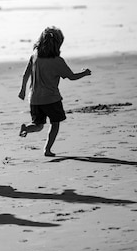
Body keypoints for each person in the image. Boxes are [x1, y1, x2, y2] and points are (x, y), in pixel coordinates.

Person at [18, 26, 91, 157]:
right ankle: (47, 149)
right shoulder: (57, 61)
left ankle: (26, 129)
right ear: (58, 44)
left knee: (38, 125)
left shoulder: (34, 56)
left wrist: (22, 90)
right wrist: (84, 73)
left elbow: (25, 75)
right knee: (55, 124)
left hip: (34, 99)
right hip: (51, 99)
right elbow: (72, 77)